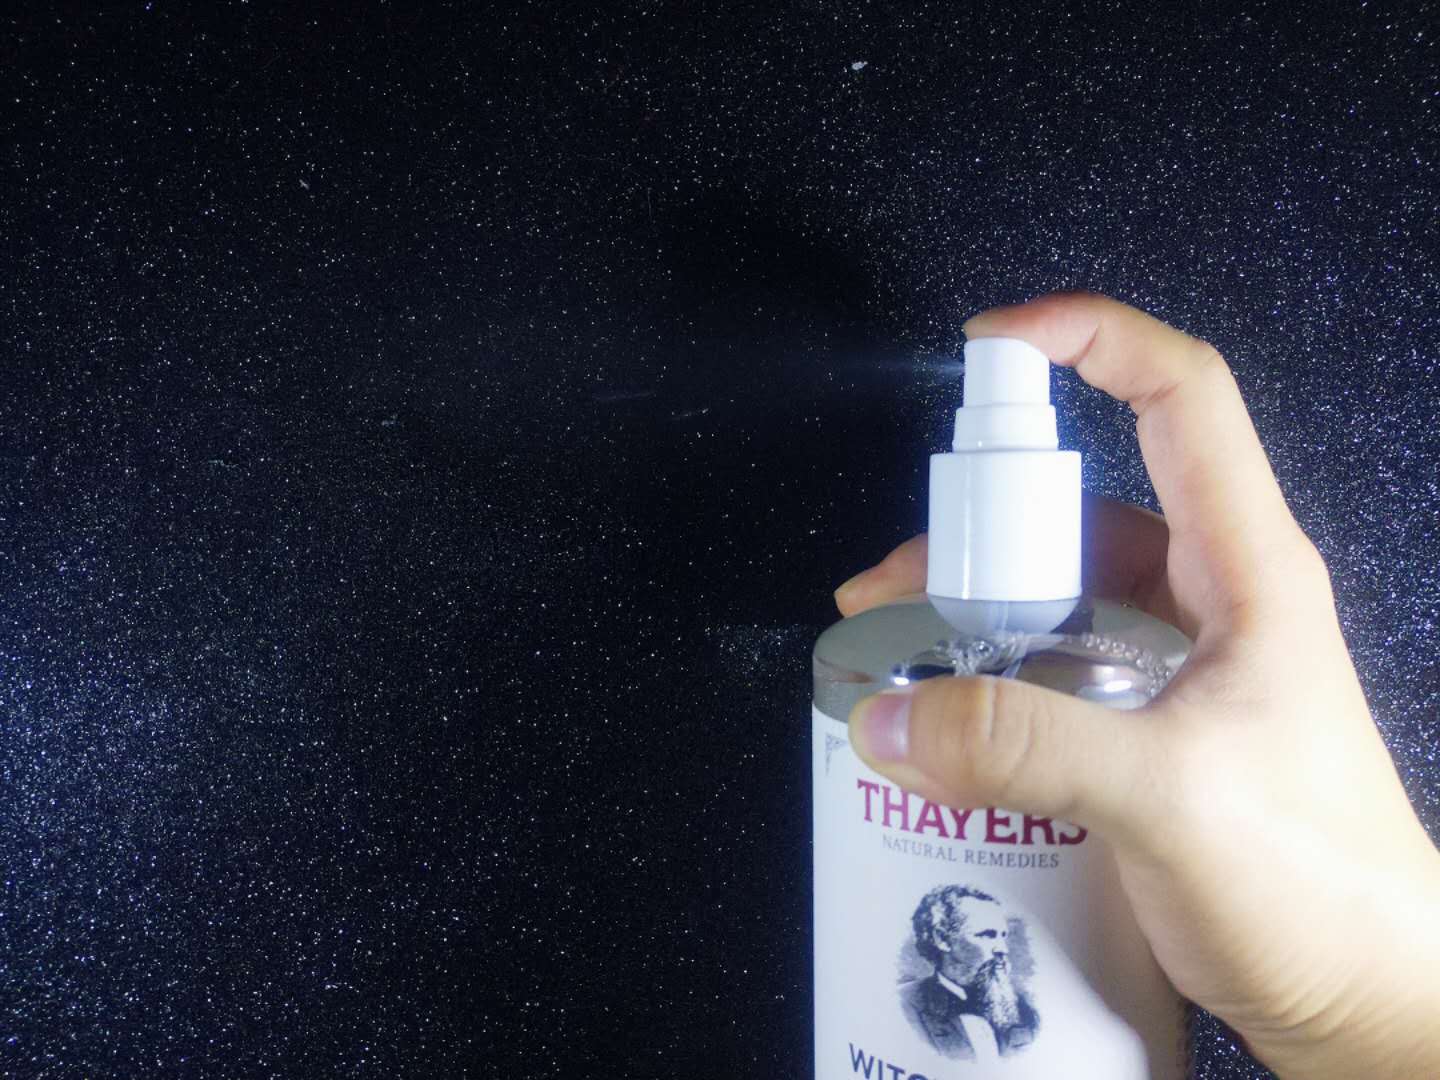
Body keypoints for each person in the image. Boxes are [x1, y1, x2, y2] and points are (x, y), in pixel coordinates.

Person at [835, 291, 1440, 1080]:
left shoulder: (1140, 664)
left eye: (998, 933)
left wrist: (1375, 1004)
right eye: (985, 935)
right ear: (938, 941)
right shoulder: (928, 1006)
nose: (1003, 945)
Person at [901, 884, 1039, 1063]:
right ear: (942, 939)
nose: (1002, 949)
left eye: (1003, 936)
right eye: (987, 935)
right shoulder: (907, 1004)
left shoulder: (1023, 1007)